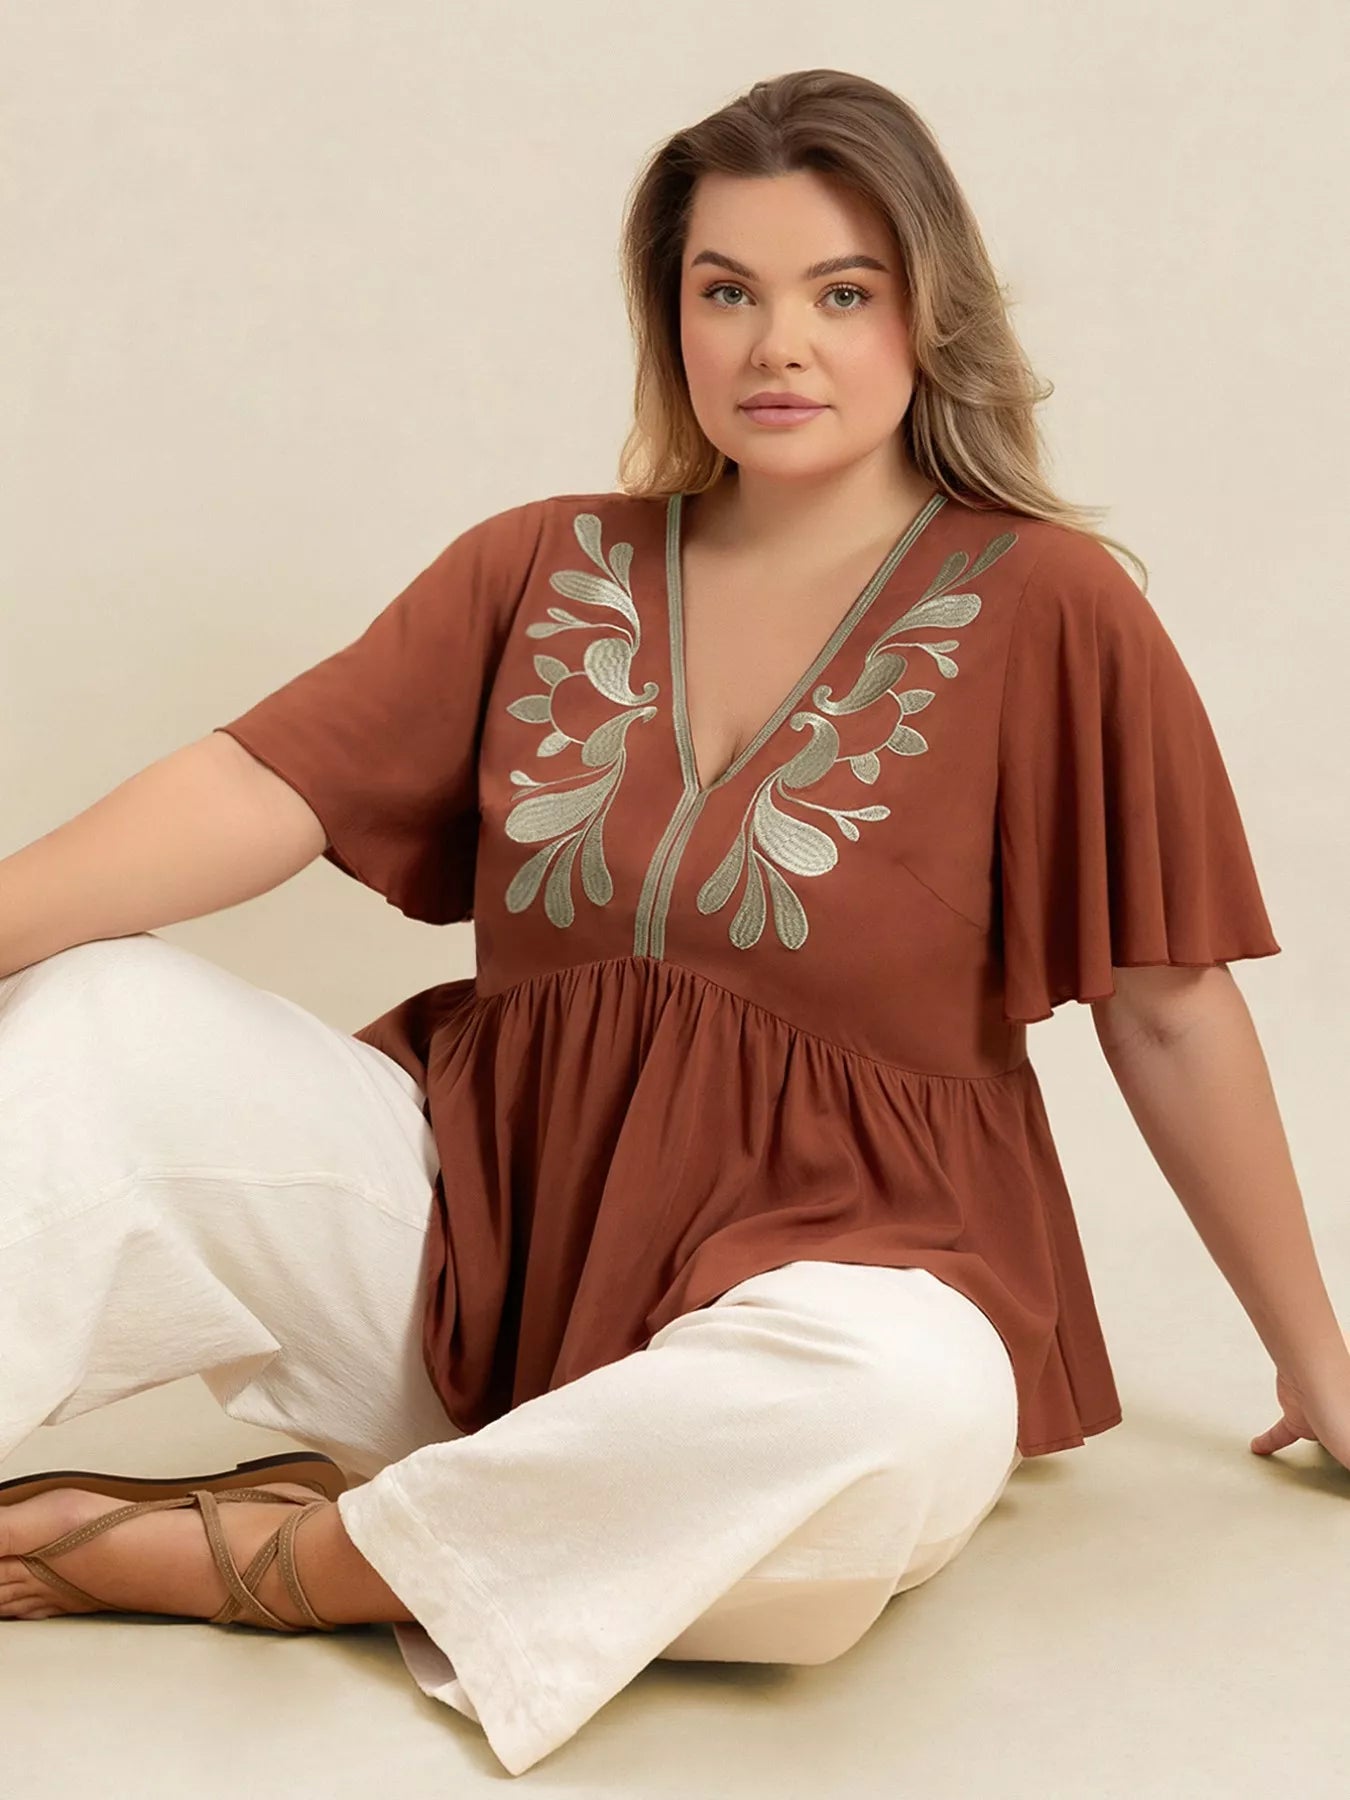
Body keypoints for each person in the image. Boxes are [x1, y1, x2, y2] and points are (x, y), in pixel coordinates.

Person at [2, 67, 1327, 1781]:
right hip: (466, 1277)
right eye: (728, 292)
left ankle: (258, 1558)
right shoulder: (541, 562)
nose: (779, 344)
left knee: (906, 1414)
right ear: (673, 317)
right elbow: (258, 790)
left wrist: (1320, 1360)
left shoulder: (1047, 605)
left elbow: (1167, 1005)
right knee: (103, 1014)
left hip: (818, 1312)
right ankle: (474, 1517)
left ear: (926, 312)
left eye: (840, 292)